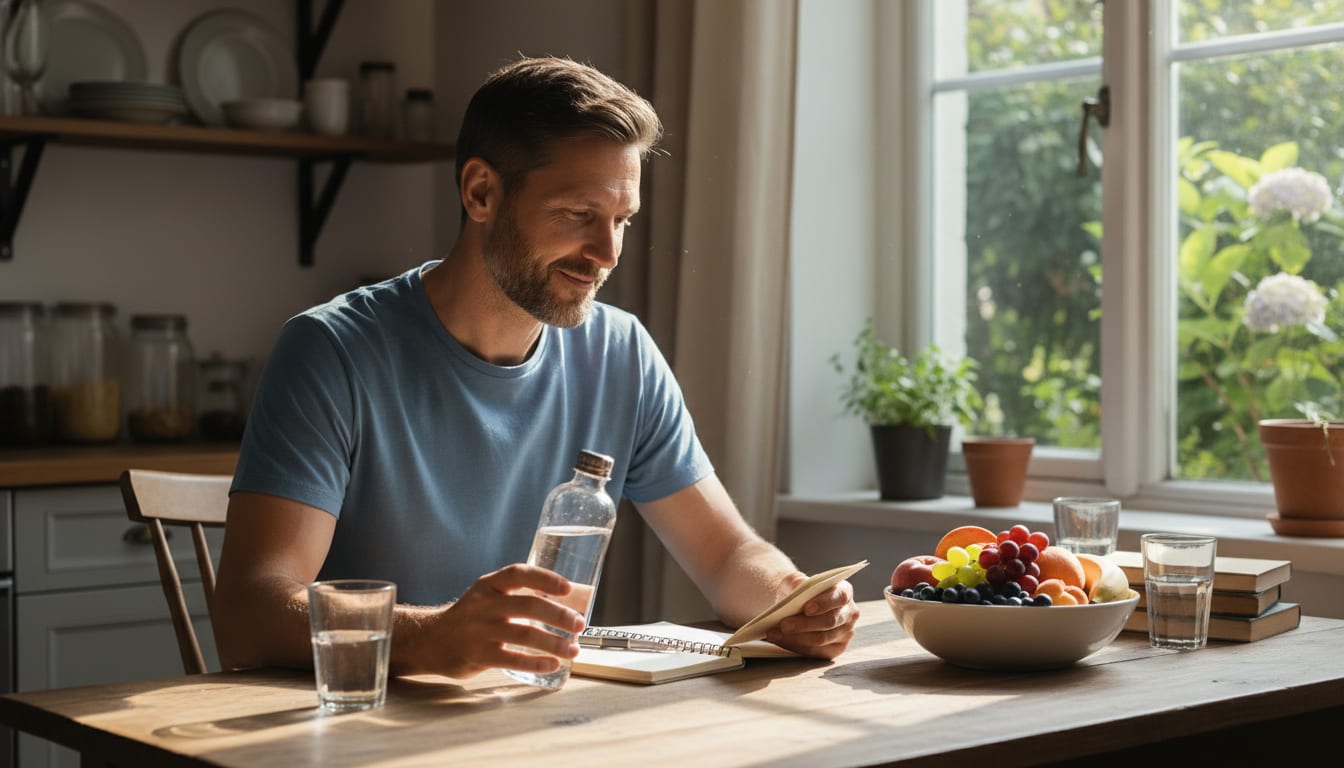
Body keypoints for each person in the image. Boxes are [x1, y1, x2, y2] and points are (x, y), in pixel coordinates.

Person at [212, 56, 859, 680]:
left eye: (622, 220)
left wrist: (791, 600)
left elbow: (725, 557)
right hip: (365, 729)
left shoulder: (621, 353)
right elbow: (249, 612)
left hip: (542, 726)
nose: (606, 253)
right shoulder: (331, 351)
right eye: (579, 215)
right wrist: (435, 636)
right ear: (481, 192)